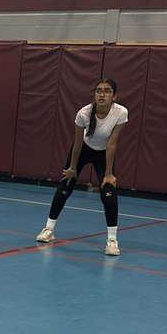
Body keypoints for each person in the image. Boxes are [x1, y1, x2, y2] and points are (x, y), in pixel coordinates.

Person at [36, 78, 127, 255]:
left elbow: (112, 144)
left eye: (107, 91)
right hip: (83, 149)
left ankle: (112, 240)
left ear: (114, 96)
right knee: (65, 185)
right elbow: (77, 144)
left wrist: (108, 174)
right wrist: (72, 168)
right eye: (98, 90)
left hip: (104, 153)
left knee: (108, 193)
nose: (102, 94)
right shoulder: (83, 113)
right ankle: (48, 230)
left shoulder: (121, 113)